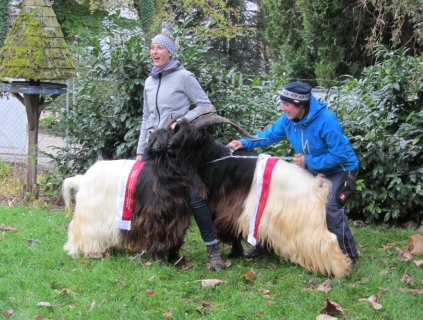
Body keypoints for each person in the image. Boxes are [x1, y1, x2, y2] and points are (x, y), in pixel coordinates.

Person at [228, 82, 359, 263]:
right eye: (282, 103)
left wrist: (308, 161)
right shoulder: (288, 121)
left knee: (330, 209)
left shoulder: (327, 121)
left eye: (287, 105)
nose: (283, 109)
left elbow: (340, 155)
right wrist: (244, 142)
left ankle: (349, 255)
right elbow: (269, 135)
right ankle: (267, 245)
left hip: (341, 171)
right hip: (313, 170)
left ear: (300, 105)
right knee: (278, 199)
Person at [136, 33, 225, 271]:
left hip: (177, 147)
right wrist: (139, 150)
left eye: (159, 48)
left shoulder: (184, 77)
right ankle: (153, 245)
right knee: (148, 196)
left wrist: (182, 120)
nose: (154, 52)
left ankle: (213, 250)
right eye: (152, 48)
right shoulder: (149, 81)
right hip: (153, 149)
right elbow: (147, 117)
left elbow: (206, 107)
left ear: (170, 52)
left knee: (195, 197)